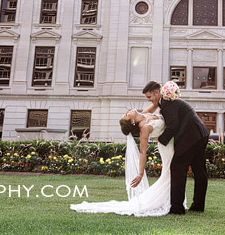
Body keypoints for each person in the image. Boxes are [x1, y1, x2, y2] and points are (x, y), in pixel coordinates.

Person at [69, 84, 184, 217]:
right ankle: (172, 203)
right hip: (167, 148)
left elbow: (158, 102)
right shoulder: (144, 128)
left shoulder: (145, 113)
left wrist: (165, 91)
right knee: (170, 174)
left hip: (174, 143)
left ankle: (173, 201)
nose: (128, 111)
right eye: (126, 114)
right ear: (132, 122)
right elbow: (142, 152)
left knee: (171, 174)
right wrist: (140, 174)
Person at [155, 80, 209, 214]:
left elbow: (172, 126)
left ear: (158, 93)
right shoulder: (172, 103)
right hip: (201, 134)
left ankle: (177, 208)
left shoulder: (168, 105)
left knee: (177, 168)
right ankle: (198, 206)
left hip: (191, 138)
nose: (149, 100)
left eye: (150, 97)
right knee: (200, 171)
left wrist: (160, 139)